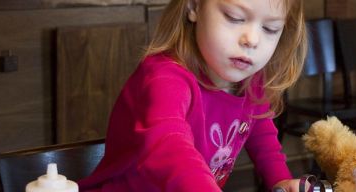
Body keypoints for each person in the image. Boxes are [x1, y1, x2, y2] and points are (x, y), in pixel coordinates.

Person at [78, 0, 307, 191]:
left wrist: (281, 181)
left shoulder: (252, 84)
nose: (252, 40)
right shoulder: (165, 77)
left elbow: (263, 139)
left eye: (271, 29)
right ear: (193, 7)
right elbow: (169, 143)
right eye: (235, 17)